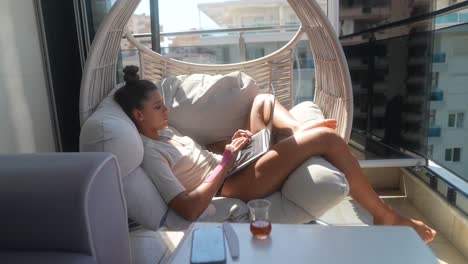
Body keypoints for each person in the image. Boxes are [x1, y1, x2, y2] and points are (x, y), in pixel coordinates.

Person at [115, 65, 436, 243]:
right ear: (138, 116)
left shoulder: (167, 133)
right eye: (158, 106)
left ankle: (295, 132)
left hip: (233, 164)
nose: (166, 109)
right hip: (232, 184)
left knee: (263, 102)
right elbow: (188, 207)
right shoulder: (150, 154)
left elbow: (200, 157)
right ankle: (384, 216)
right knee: (327, 138)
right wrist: (227, 161)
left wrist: (232, 144)